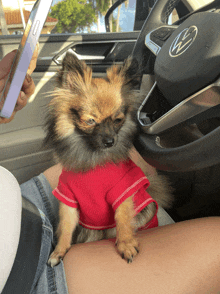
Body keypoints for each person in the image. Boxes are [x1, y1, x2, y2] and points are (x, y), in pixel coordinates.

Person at [0, 49, 220, 294]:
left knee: (136, 158)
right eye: (90, 120)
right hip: (20, 275)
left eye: (117, 121)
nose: (110, 136)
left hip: (17, 204)